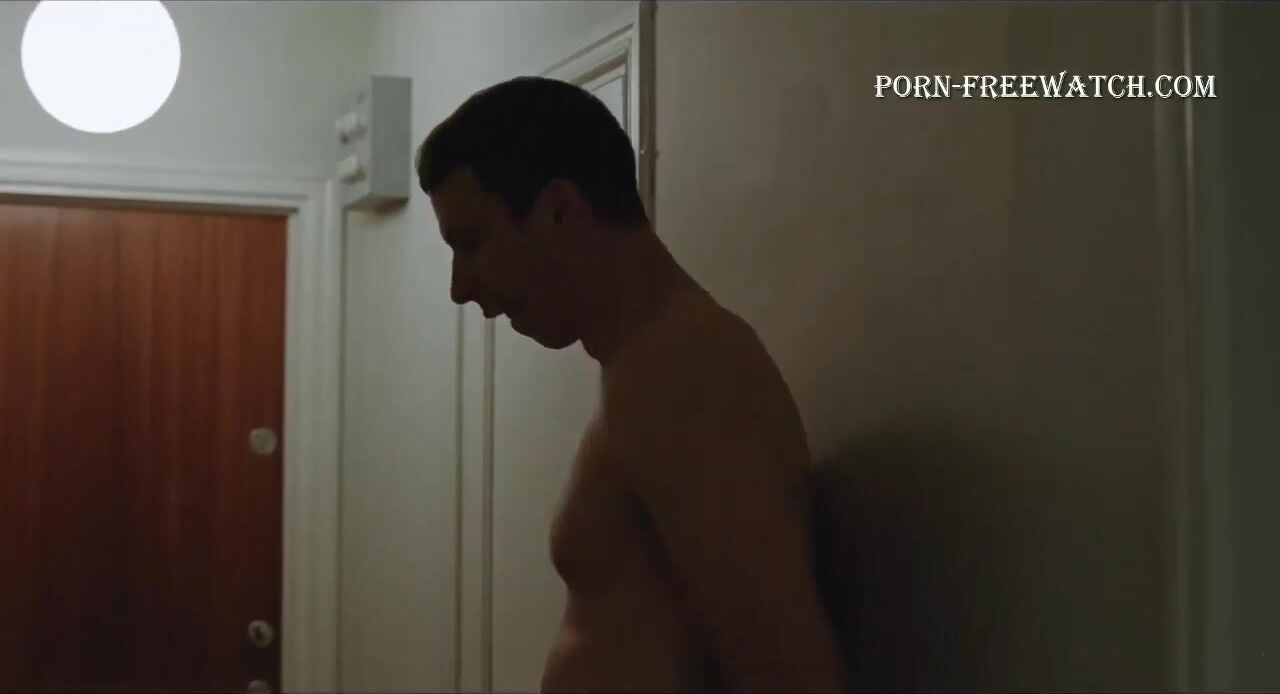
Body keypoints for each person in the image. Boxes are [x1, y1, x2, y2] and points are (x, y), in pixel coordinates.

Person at [416, 76, 846, 693]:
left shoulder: (684, 371)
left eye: (472, 242)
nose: (461, 287)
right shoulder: (646, 366)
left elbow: (789, 676)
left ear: (561, 209)